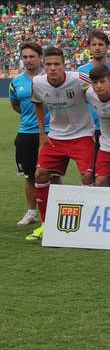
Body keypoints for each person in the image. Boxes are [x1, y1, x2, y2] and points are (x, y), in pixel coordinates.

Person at [27, 47, 96, 242]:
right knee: (40, 174)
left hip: (82, 134)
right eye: (48, 64)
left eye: (57, 64)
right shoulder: (38, 83)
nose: (52, 68)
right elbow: (37, 103)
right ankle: (45, 224)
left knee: (87, 175)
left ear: (64, 65)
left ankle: (89, 224)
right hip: (56, 136)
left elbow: (102, 87)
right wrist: (42, 133)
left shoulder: (79, 79)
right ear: (43, 65)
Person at [9, 42, 49, 227]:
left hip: (49, 132)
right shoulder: (16, 82)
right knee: (29, 176)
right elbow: (16, 105)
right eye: (25, 57)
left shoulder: (50, 76)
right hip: (25, 134)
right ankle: (31, 212)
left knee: (51, 174)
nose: (28, 60)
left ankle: (53, 210)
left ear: (40, 57)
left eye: (32, 56)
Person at [78, 30, 110, 186]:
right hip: (92, 128)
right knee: (97, 175)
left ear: (107, 47)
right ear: (89, 47)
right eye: (94, 44)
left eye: (101, 44)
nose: (97, 48)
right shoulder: (81, 71)